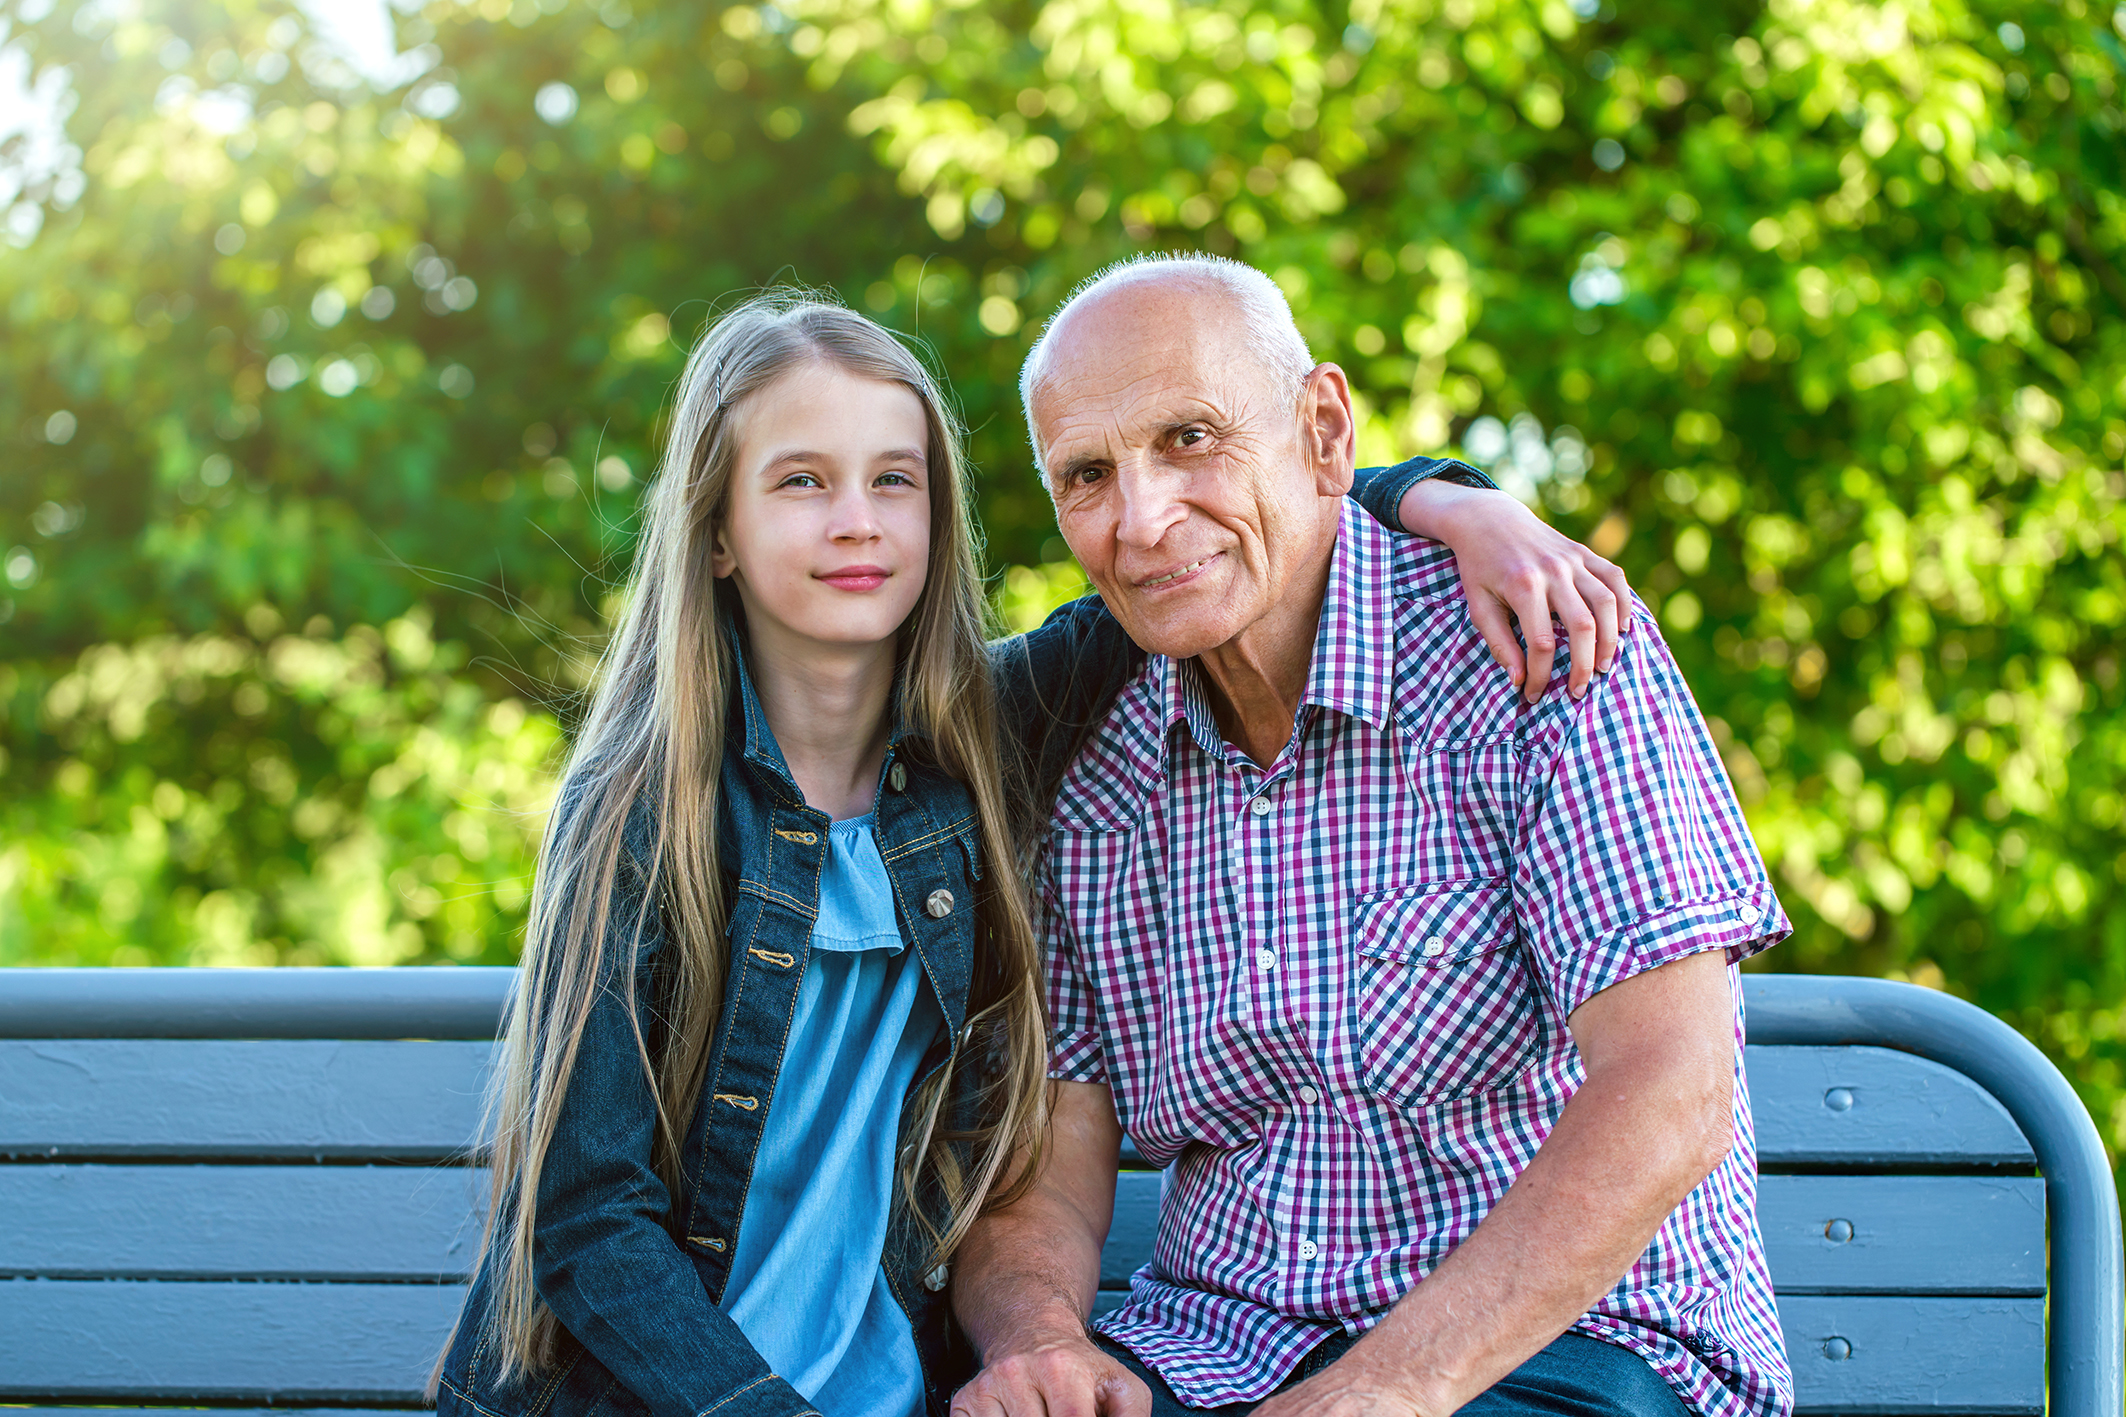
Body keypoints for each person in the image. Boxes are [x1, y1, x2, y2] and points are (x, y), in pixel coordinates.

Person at [430, 289, 1639, 1417]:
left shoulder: (992, 736)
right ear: (715, 535)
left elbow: (1236, 514)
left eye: (893, 480)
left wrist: (1454, 502)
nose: (857, 519)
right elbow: (587, 1216)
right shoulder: (645, 804)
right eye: (801, 481)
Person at [949, 254, 1795, 1417]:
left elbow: (1671, 1086)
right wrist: (1036, 1340)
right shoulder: (1087, 762)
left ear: (1322, 429)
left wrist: (1385, 1392)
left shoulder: (1537, 647)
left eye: (1189, 438)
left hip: (1568, 1355)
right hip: (1208, 1351)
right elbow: (1045, 1157)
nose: (1141, 521)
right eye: (1087, 474)